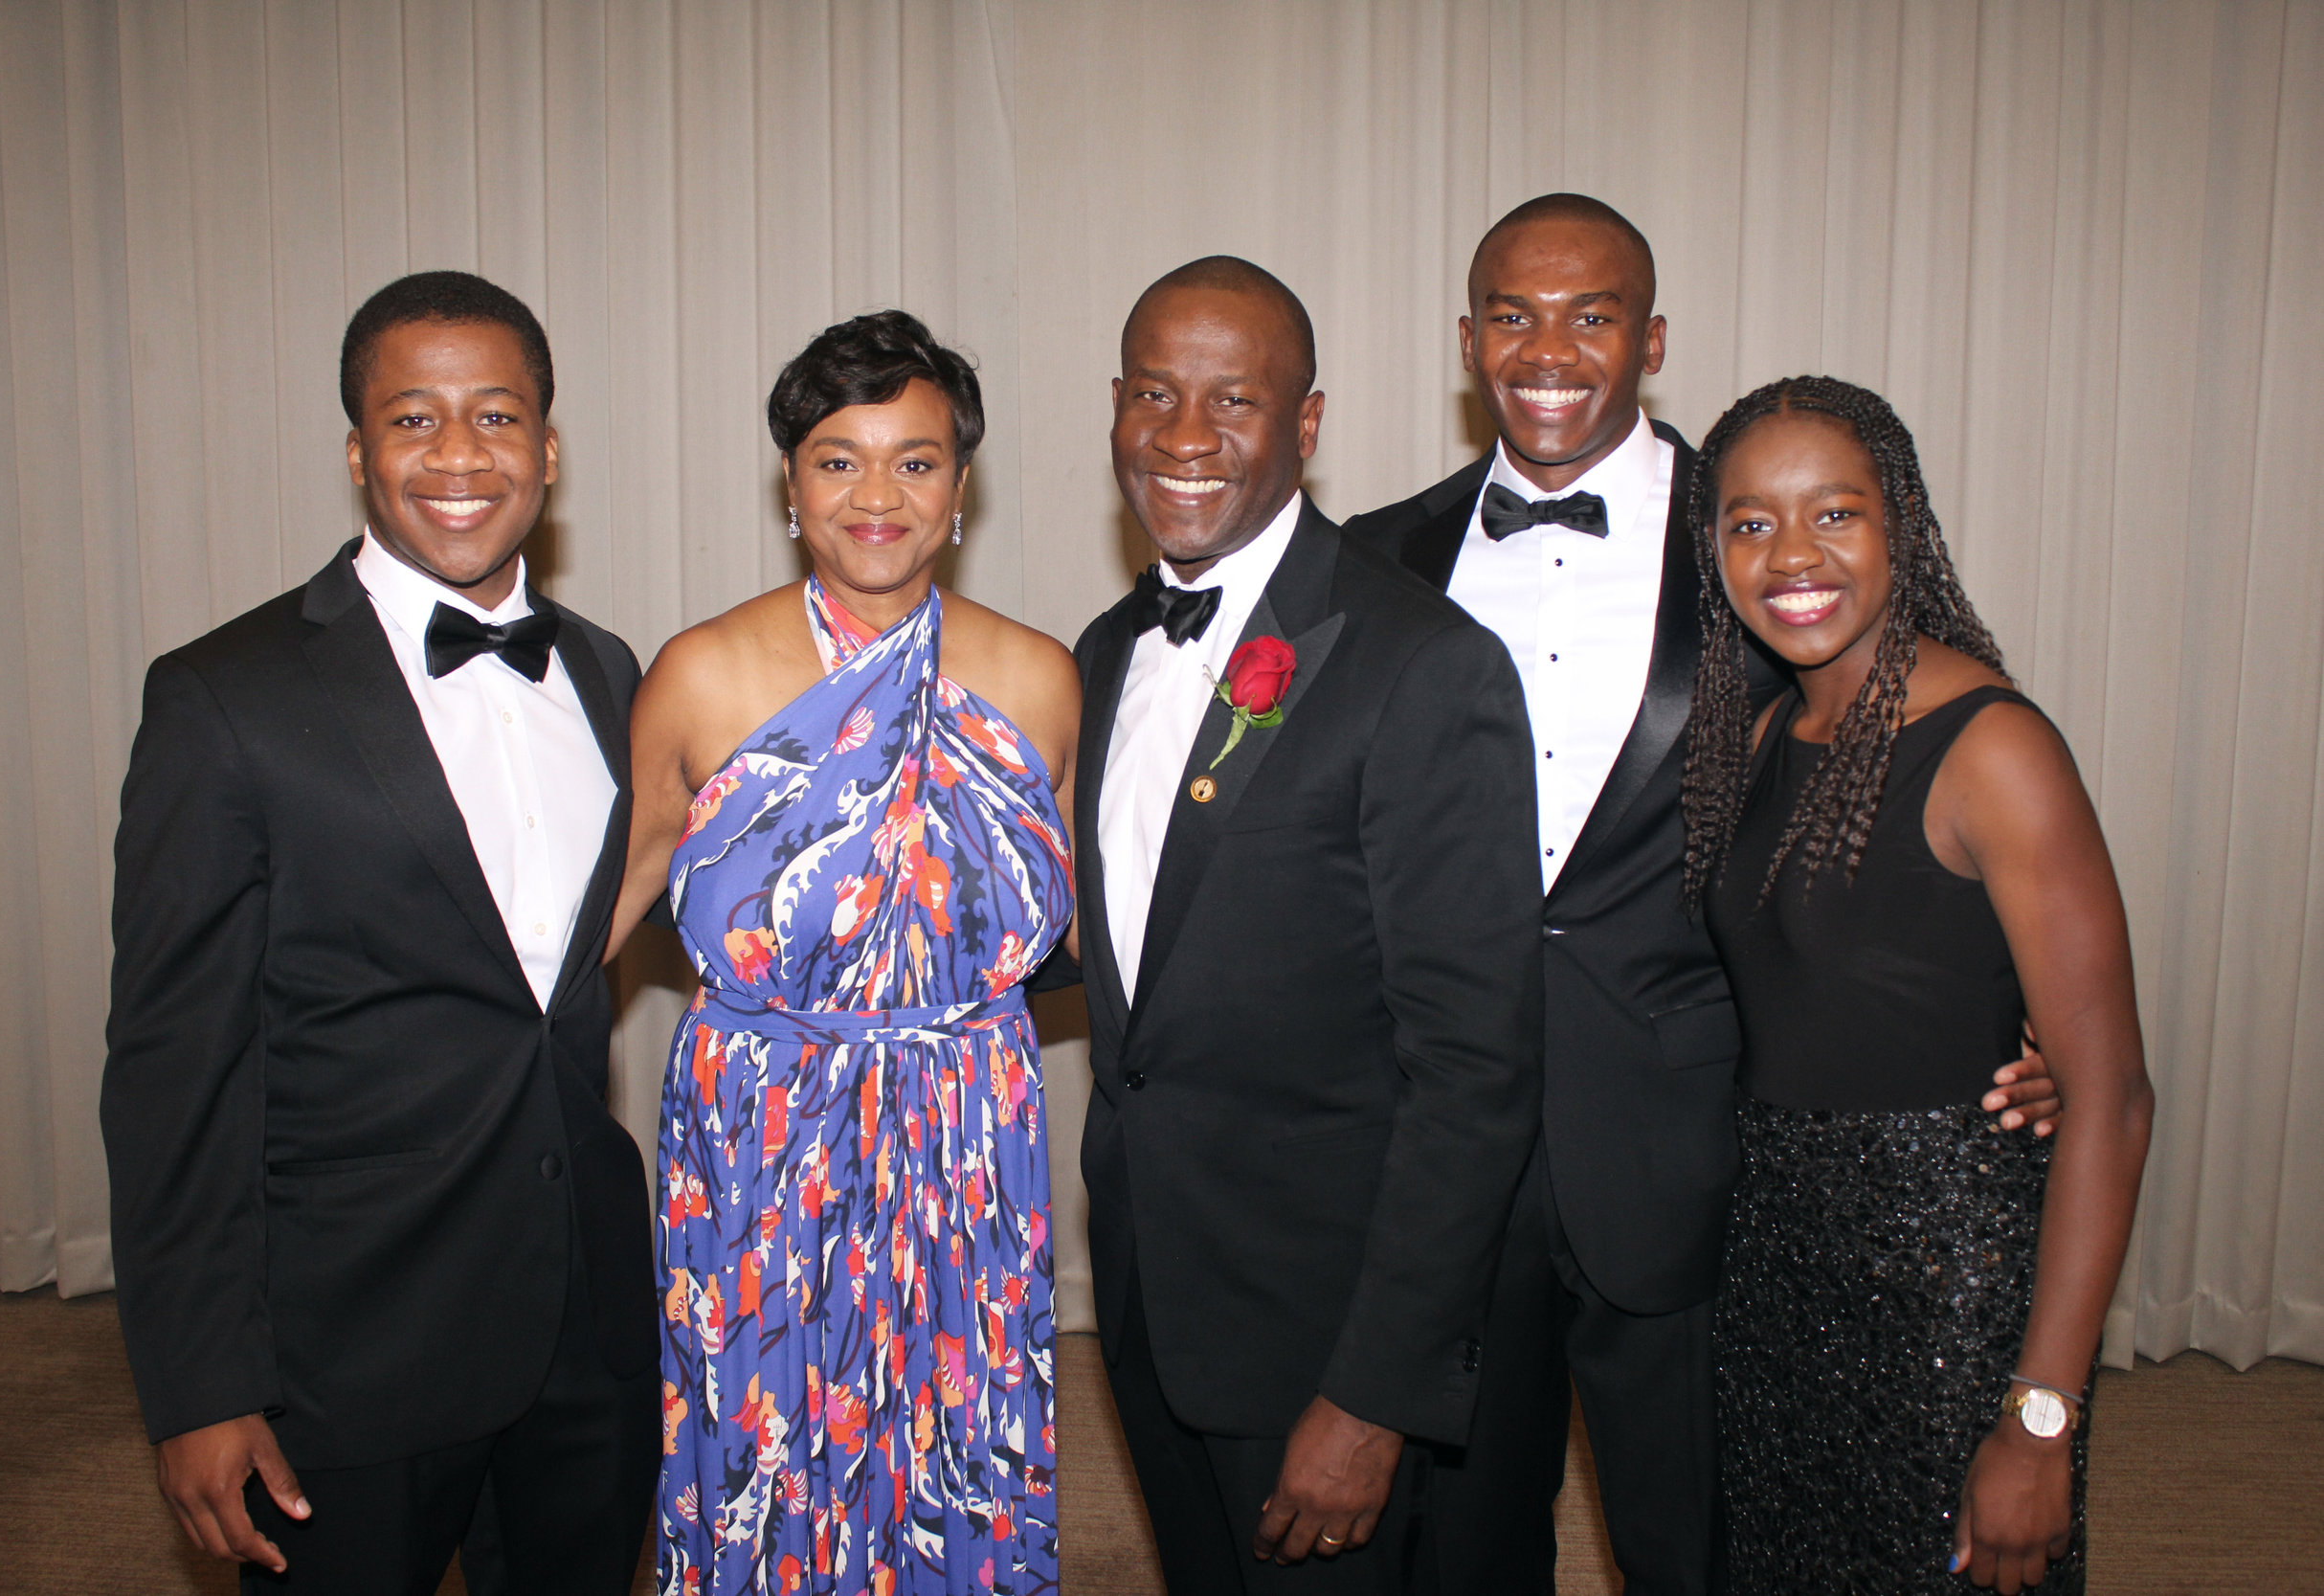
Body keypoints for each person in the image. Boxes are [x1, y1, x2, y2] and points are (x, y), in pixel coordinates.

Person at [1343, 194, 2063, 1594]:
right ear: (1469, 340)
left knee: (1698, 1539)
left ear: (1652, 338)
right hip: (1441, 1142)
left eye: (1593, 314)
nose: (1549, 348)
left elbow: (1888, 773)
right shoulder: (1383, 554)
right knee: (1460, 1539)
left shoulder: (1754, 534)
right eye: (1513, 313)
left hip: (1684, 1141)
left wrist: (2023, 1019)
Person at [101, 271, 659, 1594]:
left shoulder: (609, 669)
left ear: (549, 447)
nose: (459, 455)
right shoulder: (219, 699)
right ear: (358, 450)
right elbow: (171, 1071)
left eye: (496, 416)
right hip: (343, 1342)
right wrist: (196, 1382)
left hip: (582, 1314)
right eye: (414, 420)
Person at [1071, 256, 1543, 1592]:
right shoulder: (1109, 649)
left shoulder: (1423, 663)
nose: (1183, 435)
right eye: (1156, 393)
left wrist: (1375, 1393)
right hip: (1159, 1295)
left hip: (1322, 1334)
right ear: (1115, 405)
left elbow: (1478, 1071)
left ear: (1308, 425)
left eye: (1235, 399)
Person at [608, 309, 1081, 1595]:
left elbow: (1093, 922)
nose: (879, 494)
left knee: (953, 1447)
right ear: (791, 480)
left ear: (961, 485)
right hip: (759, 1131)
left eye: (916, 460)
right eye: (839, 458)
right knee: (760, 1455)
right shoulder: (698, 675)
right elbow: (599, 916)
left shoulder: (1038, 680)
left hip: (966, 1130)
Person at [1685, 375, 2153, 1593]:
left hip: (1943, 1282)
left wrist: (2041, 1416)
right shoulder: (1761, 730)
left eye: (1833, 513)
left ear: (1900, 523)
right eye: (1749, 522)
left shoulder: (1992, 748)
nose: (1792, 553)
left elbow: (2111, 1098)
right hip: (1774, 1264)